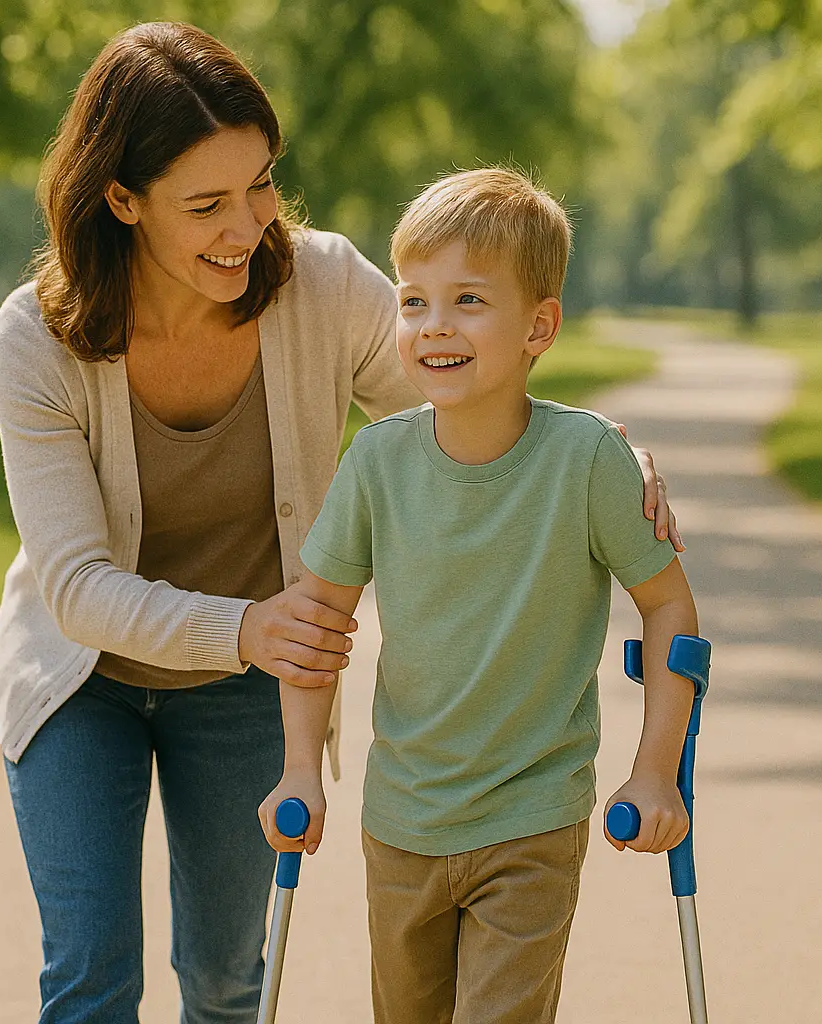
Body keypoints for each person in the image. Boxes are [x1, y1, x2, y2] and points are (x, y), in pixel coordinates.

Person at [0, 23, 681, 1024]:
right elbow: (76, 586)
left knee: (228, 980)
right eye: (206, 203)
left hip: (242, 691)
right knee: (91, 978)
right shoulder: (37, 338)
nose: (247, 225)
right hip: (81, 677)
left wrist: (605, 449)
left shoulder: (318, 286)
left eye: (261, 184)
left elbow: (473, 399)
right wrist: (247, 625)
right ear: (123, 200)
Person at [258, 168, 702, 1024]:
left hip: (530, 819)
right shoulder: (377, 464)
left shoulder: (588, 463)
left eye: (467, 300)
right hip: (401, 824)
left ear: (540, 325)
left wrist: (655, 775)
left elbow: (671, 609)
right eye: (414, 301)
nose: (435, 327)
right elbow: (315, 624)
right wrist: (300, 770)